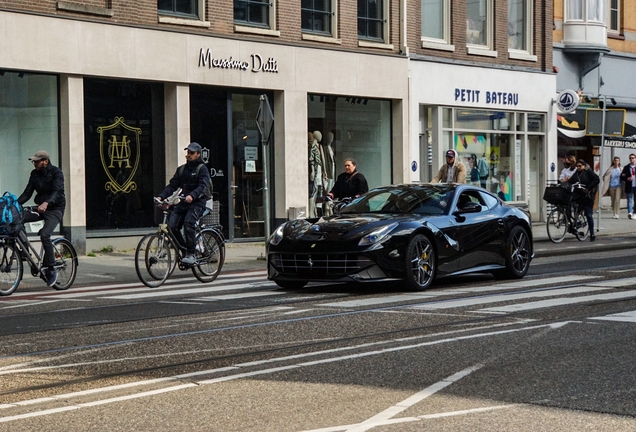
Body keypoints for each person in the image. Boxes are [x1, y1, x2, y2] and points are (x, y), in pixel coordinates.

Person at [155, 142, 210, 265]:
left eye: (192, 153)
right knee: (172, 226)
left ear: (198, 154)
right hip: (184, 202)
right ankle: (184, 250)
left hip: (198, 203)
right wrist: (161, 196)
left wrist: (192, 195)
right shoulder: (182, 170)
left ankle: (191, 253)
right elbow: (173, 185)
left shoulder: (202, 169)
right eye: (188, 152)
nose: (189, 155)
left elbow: (203, 185)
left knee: (188, 223)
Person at [18, 150, 66, 287]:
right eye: (33, 161)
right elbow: (27, 193)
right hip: (40, 207)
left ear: (45, 161)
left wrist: (47, 203)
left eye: (37, 161)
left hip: (55, 208)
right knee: (19, 218)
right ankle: (24, 251)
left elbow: (57, 191)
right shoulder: (34, 174)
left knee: (45, 235)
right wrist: (14, 204)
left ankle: (50, 269)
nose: (34, 163)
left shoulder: (56, 173)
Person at [568, 159, 600, 242]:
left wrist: (588, 188)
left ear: (584, 166)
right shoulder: (576, 173)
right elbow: (571, 181)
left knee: (588, 214)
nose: (578, 167)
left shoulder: (588, 171)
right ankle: (575, 224)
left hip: (587, 196)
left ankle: (592, 233)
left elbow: (597, 180)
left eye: (580, 166)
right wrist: (563, 182)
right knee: (572, 208)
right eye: (577, 166)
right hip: (579, 195)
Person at [620, 153, 636, 219]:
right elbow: (622, 176)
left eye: (633, 158)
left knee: (635, 200)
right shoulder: (626, 167)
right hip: (629, 185)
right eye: (630, 158)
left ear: (635, 158)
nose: (631, 159)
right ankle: (630, 212)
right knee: (629, 199)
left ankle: (635, 213)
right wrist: (627, 178)